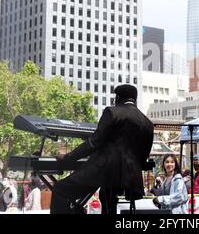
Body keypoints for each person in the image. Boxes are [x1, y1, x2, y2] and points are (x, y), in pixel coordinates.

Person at [50, 84, 154, 214]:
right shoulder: (147, 123)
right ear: (135, 99)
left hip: (104, 172)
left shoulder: (112, 112)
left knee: (60, 189)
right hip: (130, 180)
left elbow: (93, 143)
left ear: (118, 98)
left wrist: (67, 157)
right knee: (107, 199)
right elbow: (144, 155)